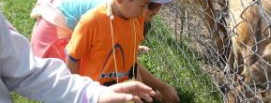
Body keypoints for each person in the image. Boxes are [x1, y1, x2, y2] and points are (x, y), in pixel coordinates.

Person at [66, 0, 180, 103]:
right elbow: (73, 58)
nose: (145, 12)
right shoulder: (91, 22)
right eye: (143, 6)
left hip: (124, 91)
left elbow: (132, 61)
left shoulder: (135, 19)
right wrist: (73, 95)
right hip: (98, 95)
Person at [0, 10, 156, 103]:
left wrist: (95, 94)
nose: (156, 12)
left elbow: (24, 71)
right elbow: (73, 54)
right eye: (145, 6)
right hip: (52, 32)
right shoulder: (98, 19)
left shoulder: (128, 16)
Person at [30, 0, 161, 62]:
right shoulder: (108, 16)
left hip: (56, 21)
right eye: (152, 15)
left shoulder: (122, 7)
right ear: (143, 7)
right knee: (70, 79)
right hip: (52, 34)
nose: (149, 20)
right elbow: (125, 61)